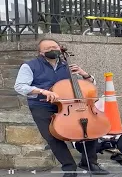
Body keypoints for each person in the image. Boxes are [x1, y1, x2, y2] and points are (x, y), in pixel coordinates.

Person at [14, 38, 109, 177]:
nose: (52, 50)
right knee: (52, 136)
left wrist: (84, 74)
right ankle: (69, 167)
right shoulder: (30, 66)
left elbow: (90, 86)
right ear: (40, 53)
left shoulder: (66, 65)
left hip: (69, 105)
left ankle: (89, 162)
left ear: (60, 48)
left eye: (55, 47)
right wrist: (42, 91)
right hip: (42, 105)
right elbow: (20, 86)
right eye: (47, 49)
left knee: (90, 129)